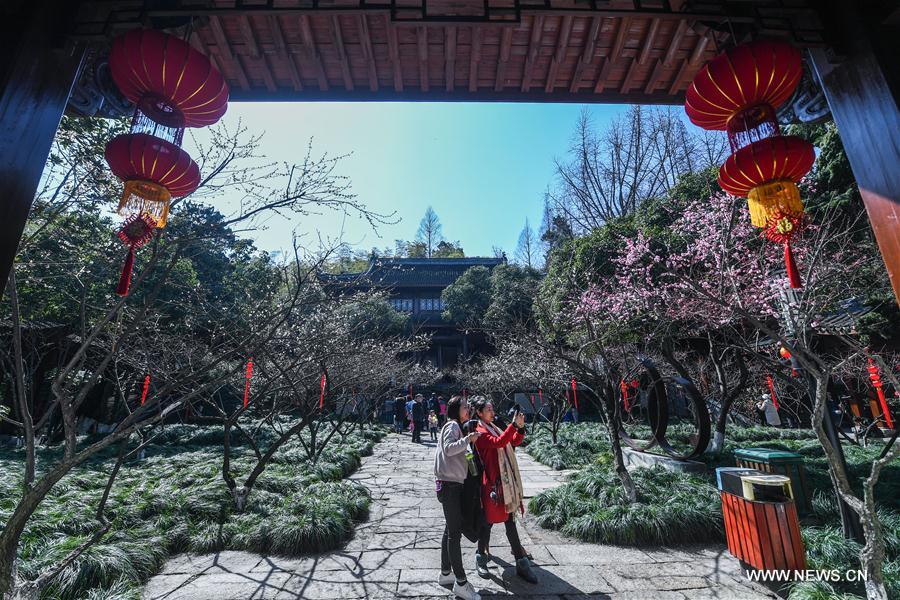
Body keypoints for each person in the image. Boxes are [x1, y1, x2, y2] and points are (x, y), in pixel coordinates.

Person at [470, 396, 538, 584]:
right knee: (487, 523)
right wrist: (513, 426)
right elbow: (499, 442)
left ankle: (521, 562)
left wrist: (520, 428)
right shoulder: (480, 431)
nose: (493, 412)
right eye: (489, 410)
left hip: (505, 482)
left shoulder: (493, 426)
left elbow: (512, 442)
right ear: (479, 413)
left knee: (510, 522)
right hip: (492, 485)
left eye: (492, 409)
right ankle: (480, 557)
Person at [434, 396, 483, 600]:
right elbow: (449, 448)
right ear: (456, 410)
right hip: (450, 486)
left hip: (451, 484)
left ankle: (446, 573)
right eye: (464, 407)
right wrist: (468, 440)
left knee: (450, 529)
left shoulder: (456, 426)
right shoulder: (453, 425)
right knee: (454, 534)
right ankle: (461, 583)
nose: (467, 409)